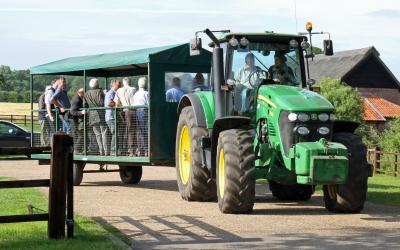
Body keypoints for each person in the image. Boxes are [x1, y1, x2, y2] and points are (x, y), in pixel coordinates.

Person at [85, 78, 108, 155]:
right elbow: (103, 102)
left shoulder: (87, 93)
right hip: (101, 114)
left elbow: (84, 105)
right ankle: (106, 150)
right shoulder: (100, 92)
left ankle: (101, 151)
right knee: (104, 133)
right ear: (97, 84)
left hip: (92, 116)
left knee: (97, 134)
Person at [114, 77, 136, 156]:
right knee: (135, 131)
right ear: (129, 82)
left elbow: (116, 103)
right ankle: (134, 150)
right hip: (135, 111)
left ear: (123, 83)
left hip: (126, 111)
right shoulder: (133, 89)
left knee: (129, 131)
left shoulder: (119, 91)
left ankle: (130, 150)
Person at [105, 79, 122, 156]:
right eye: (118, 85)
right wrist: (118, 104)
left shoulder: (114, 93)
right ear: (113, 85)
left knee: (116, 133)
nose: (120, 87)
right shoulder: (111, 93)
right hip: (111, 117)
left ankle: (116, 150)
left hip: (113, 116)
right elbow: (109, 103)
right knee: (115, 133)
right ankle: (113, 151)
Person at [133, 77, 149, 157]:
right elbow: (148, 104)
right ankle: (146, 150)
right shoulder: (146, 93)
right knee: (145, 132)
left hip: (137, 112)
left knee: (141, 132)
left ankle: (142, 150)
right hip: (144, 112)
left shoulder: (135, 94)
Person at [69, 88, 86, 154]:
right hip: (73, 120)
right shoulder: (76, 100)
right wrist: (81, 112)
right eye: (83, 93)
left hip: (75, 120)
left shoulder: (78, 98)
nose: (84, 94)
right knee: (80, 135)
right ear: (80, 93)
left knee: (78, 135)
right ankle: (76, 150)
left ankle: (76, 150)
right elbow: (72, 112)